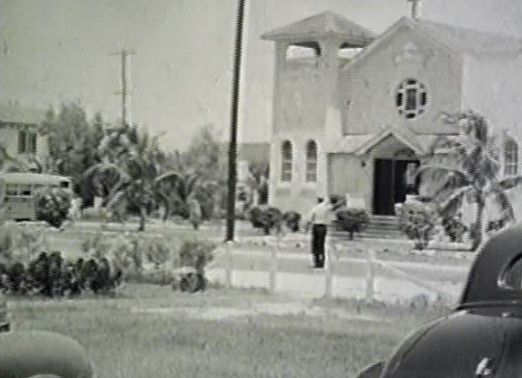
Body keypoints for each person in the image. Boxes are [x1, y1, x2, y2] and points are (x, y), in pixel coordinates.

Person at [306, 197, 334, 268]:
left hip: (316, 226)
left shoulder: (315, 207)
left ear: (318, 201)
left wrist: (306, 228)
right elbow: (332, 218)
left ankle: (316, 262)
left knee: (315, 245)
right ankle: (322, 263)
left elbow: (310, 218)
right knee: (321, 244)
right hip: (323, 227)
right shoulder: (327, 208)